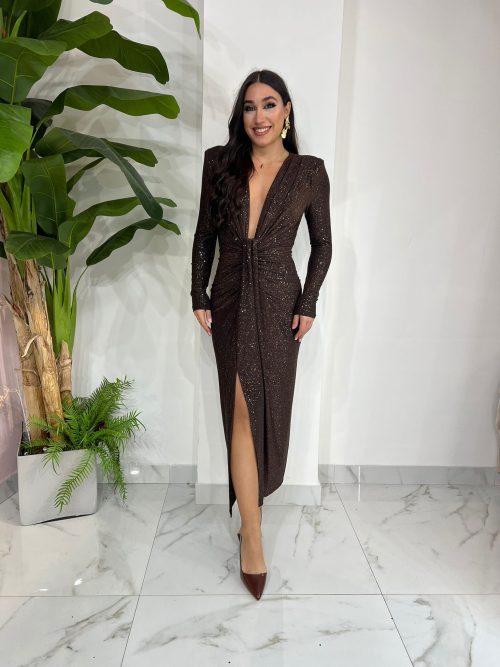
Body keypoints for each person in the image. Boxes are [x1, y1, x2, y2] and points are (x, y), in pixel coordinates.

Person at [191, 69, 332, 599]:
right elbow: (204, 235)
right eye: (249, 107)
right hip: (229, 297)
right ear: (241, 115)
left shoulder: (309, 172)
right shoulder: (219, 163)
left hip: (278, 304)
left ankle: (254, 507)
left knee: (268, 409)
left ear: (286, 111)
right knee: (241, 410)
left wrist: (308, 302)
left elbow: (323, 244)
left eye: (269, 104)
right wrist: (198, 291)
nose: (260, 116)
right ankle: (251, 534)